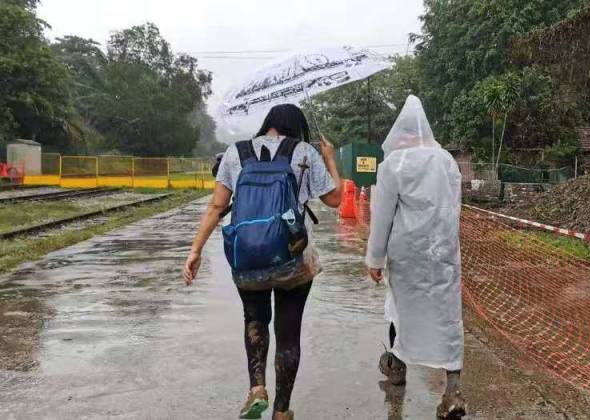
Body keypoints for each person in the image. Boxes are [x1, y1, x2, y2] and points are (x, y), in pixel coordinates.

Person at [183, 104, 342, 420]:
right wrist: (330, 159)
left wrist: (195, 250)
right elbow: (335, 199)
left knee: (254, 320)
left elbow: (216, 207)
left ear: (268, 123)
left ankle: (257, 388)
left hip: (248, 257)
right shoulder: (303, 152)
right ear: (297, 127)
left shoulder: (236, 152)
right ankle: (282, 411)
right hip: (293, 258)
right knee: (288, 333)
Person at [365, 95, 466, 419]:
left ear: (401, 133)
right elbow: (454, 209)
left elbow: (382, 217)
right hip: (443, 252)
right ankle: (452, 392)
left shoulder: (394, 165)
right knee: (448, 317)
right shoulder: (447, 161)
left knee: (401, 309)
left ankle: (397, 367)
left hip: (407, 255)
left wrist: (375, 259)